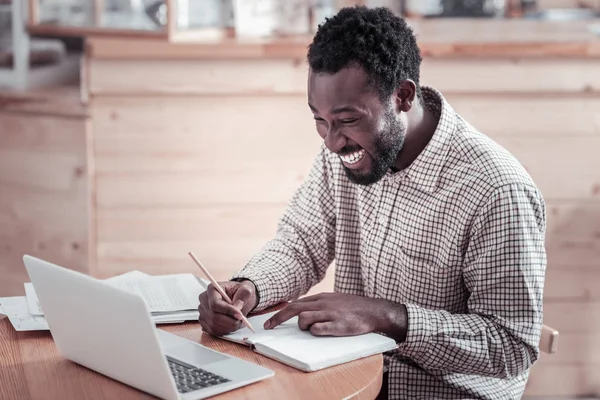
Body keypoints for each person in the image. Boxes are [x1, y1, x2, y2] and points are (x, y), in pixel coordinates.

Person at [198, 6, 546, 400]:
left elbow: (511, 346)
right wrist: (249, 287)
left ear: (402, 96)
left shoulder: (496, 189)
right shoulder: (345, 152)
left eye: (347, 120)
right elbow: (300, 243)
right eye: (319, 119)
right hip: (352, 381)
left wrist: (388, 317)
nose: (330, 141)